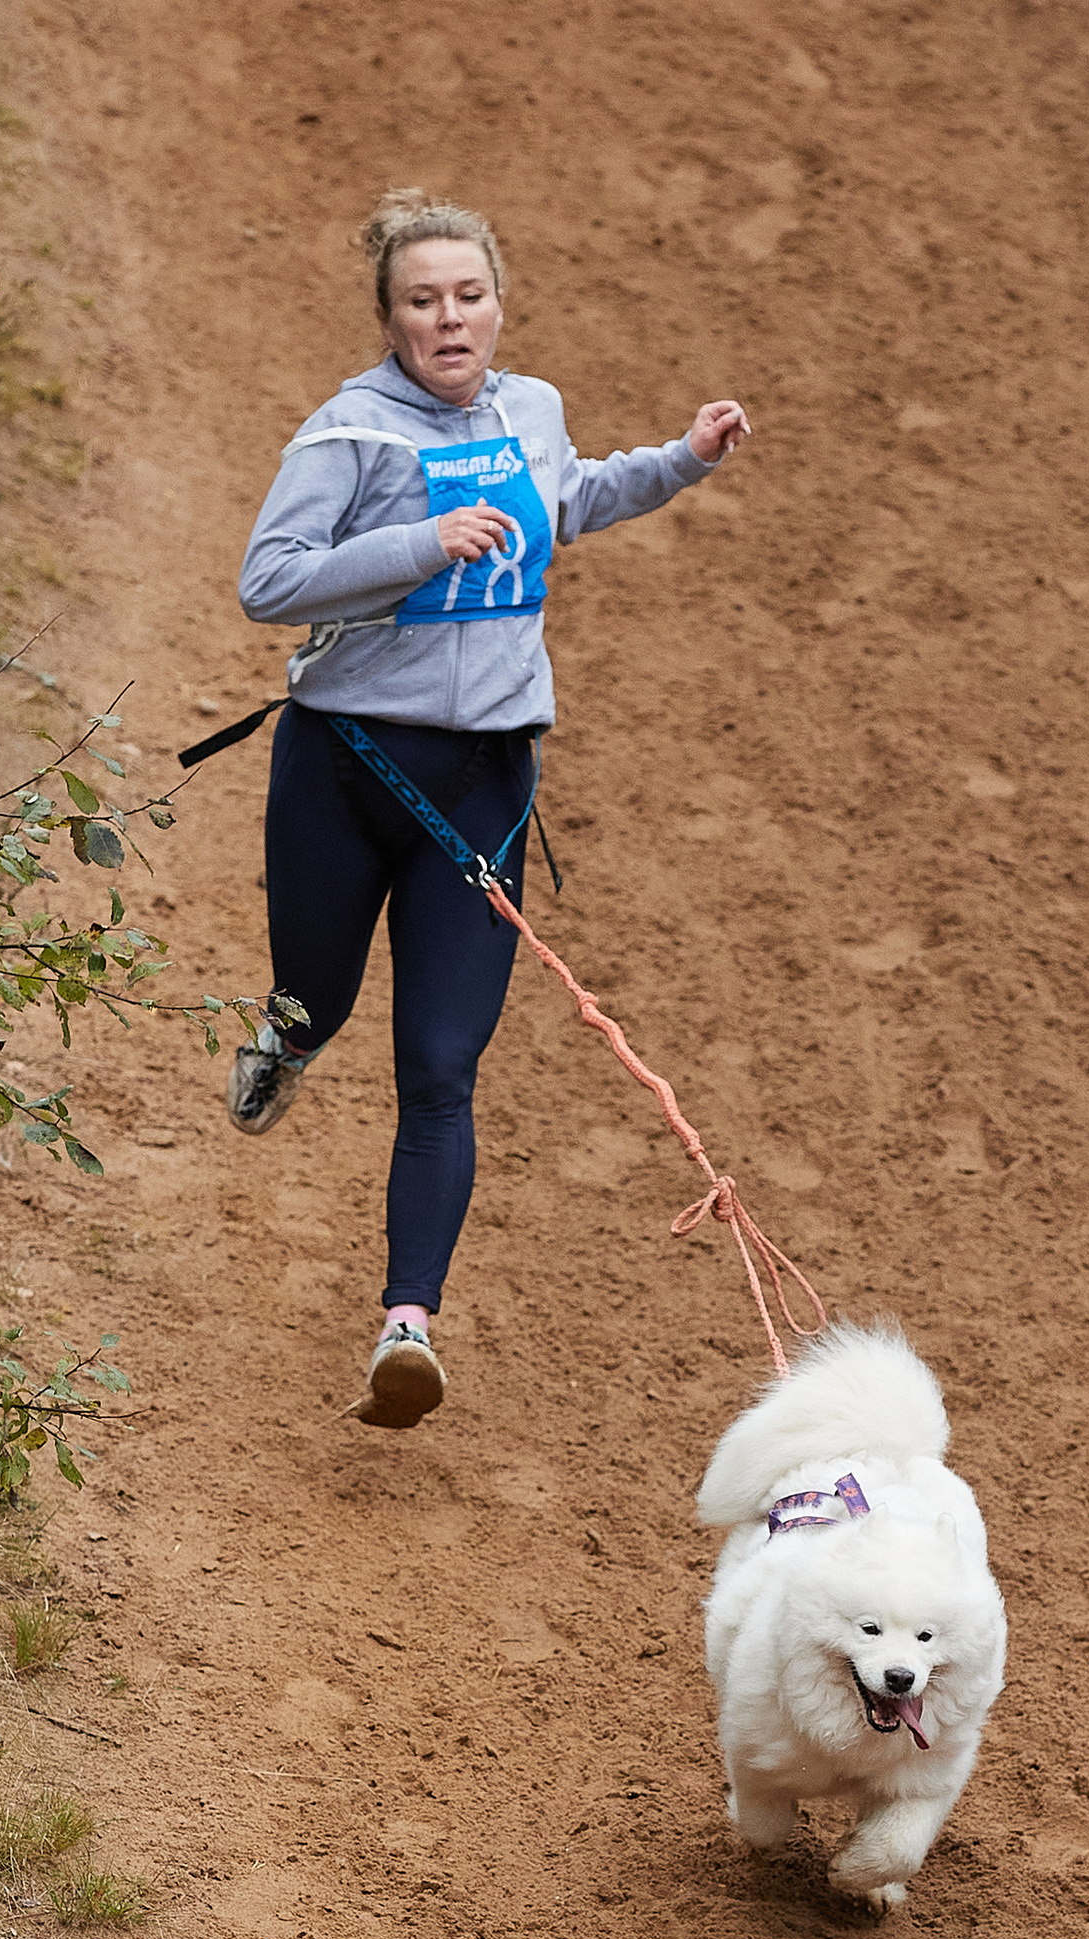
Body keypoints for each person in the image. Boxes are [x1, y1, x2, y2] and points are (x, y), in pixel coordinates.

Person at [230, 189, 750, 1429]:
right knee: (320, 993)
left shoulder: (533, 411)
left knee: (442, 1065)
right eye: (422, 301)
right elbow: (269, 583)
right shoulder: (347, 437)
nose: (447, 318)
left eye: (467, 296)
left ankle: (406, 1326)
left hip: (483, 785)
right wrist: (416, 542)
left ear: (498, 306)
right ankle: (290, 1042)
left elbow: (565, 500)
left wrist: (680, 461)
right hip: (345, 765)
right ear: (389, 317)